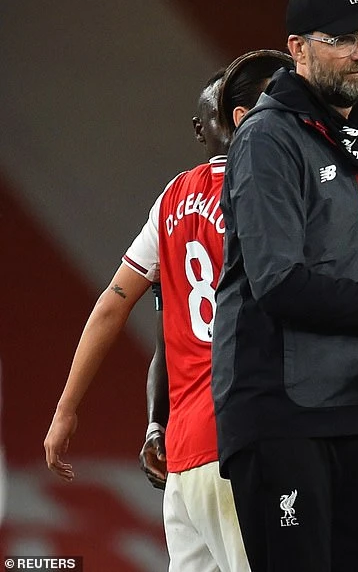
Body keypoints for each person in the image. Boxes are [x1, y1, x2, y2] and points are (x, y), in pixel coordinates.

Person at [211, 0, 358, 572]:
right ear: (298, 48)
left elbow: (353, 273)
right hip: (282, 415)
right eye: (342, 39)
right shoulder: (266, 138)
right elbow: (279, 284)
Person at [44, 49, 294, 572]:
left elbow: (116, 309)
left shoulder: (172, 198)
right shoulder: (269, 192)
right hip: (247, 439)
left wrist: (69, 408)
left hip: (185, 460)